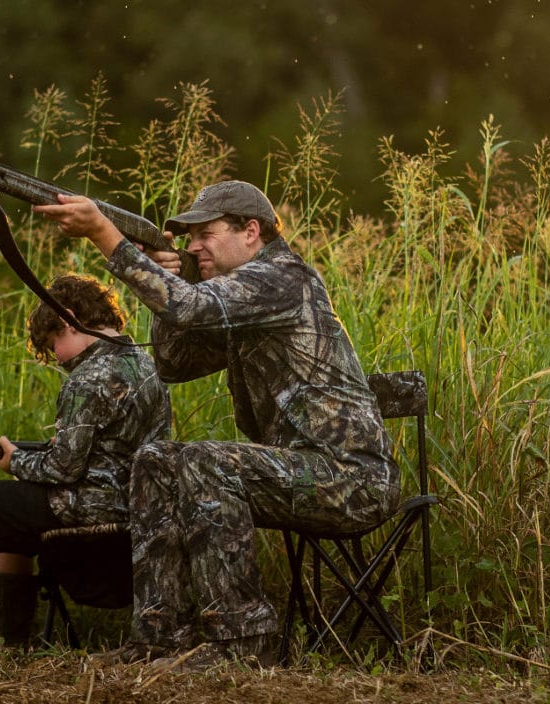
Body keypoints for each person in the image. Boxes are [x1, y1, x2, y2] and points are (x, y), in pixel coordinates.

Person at [34, 180, 400, 668]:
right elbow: (173, 364)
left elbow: (187, 306)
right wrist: (171, 278)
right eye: (187, 239)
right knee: (157, 460)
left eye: (204, 234)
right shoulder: (241, 301)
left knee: (206, 462)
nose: (191, 246)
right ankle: (159, 638)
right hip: (301, 470)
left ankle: (241, 644)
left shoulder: (283, 278)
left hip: (351, 478)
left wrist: (104, 233)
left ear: (251, 231)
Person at [0, 273, 172, 654]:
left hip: (85, 508)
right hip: (135, 509)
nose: (57, 358)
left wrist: (15, 461)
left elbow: (64, 470)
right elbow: (113, 448)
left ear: (66, 318)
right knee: (4, 510)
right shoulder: (145, 366)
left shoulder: (88, 377)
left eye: (52, 344)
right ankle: (12, 640)